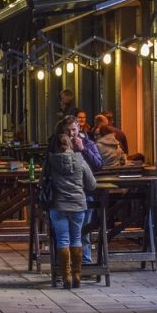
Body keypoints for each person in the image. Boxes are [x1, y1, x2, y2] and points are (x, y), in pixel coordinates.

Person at [45, 124, 97, 289]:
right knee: (76, 239)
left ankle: (65, 276)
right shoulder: (80, 160)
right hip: (78, 205)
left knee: (62, 240)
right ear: (71, 144)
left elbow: (42, 183)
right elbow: (92, 185)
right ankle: (77, 275)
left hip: (58, 206)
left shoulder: (50, 162)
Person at [61, 115, 101, 265]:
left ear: (79, 128)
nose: (72, 133)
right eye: (68, 130)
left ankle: (84, 261)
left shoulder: (88, 144)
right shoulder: (59, 145)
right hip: (64, 195)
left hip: (85, 194)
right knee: (64, 230)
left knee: (84, 229)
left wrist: (83, 150)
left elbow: (98, 164)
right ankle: (65, 264)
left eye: (74, 129)